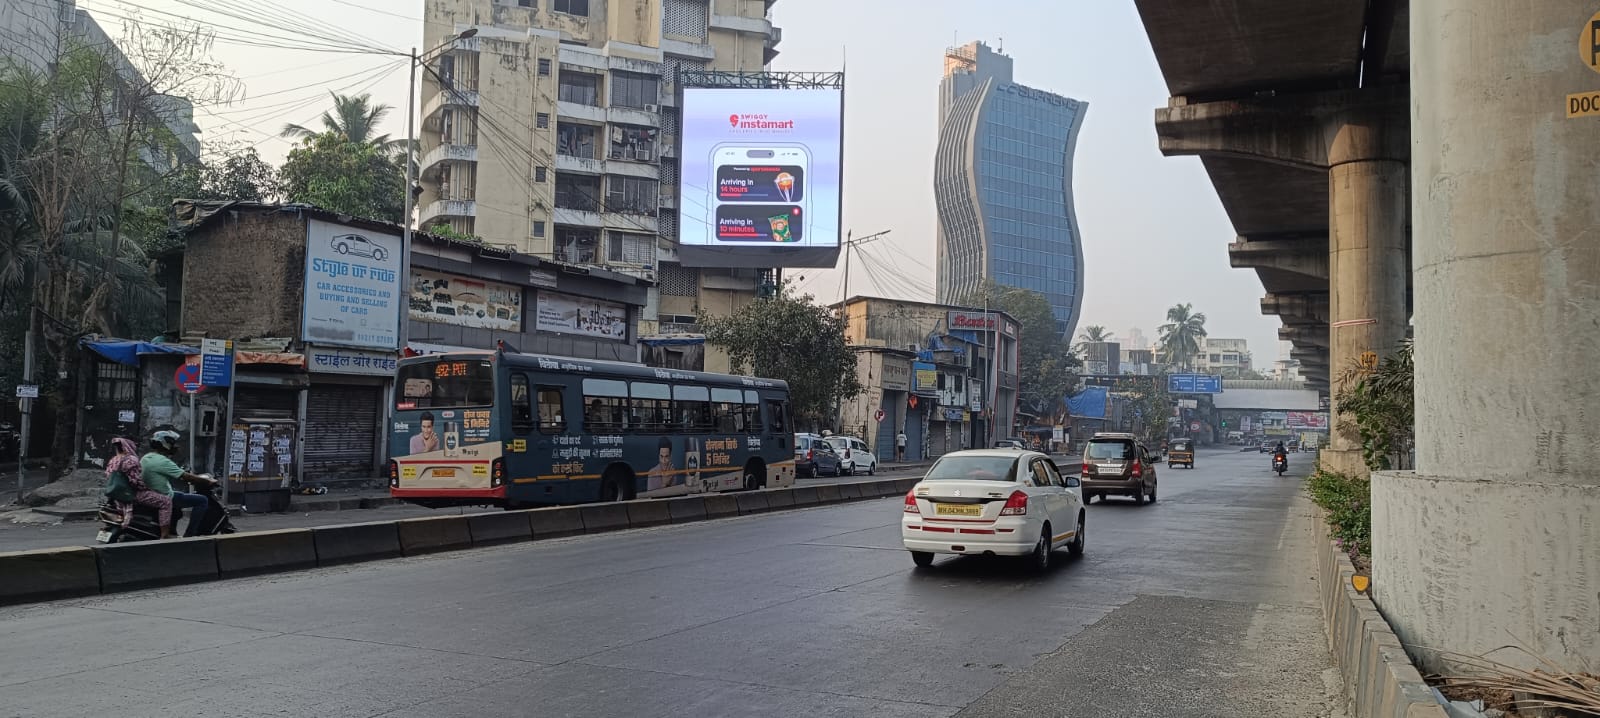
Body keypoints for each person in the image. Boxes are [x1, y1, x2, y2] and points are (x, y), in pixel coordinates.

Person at [141, 430, 216, 538]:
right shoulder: (163, 461)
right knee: (202, 500)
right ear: (166, 444)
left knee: (179, 497)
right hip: (164, 496)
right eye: (173, 443)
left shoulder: (147, 457)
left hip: (153, 493)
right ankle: (190, 535)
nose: (175, 446)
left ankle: (173, 530)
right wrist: (208, 481)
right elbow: (186, 476)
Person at [105, 437, 174, 539]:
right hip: (133, 493)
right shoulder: (131, 460)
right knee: (166, 502)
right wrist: (146, 488)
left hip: (117, 495)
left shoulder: (113, 460)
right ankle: (165, 534)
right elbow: (135, 481)